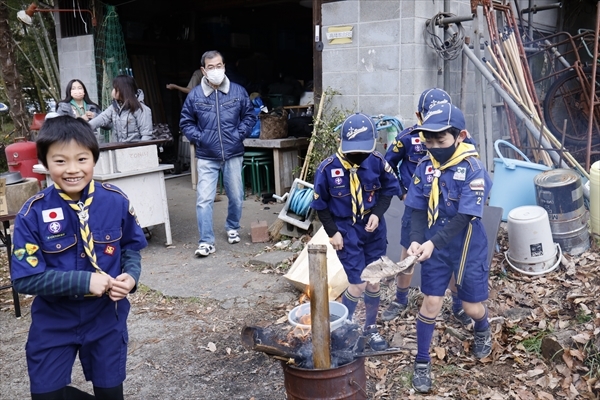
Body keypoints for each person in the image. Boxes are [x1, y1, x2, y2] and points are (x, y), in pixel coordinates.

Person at [10, 115, 148, 400]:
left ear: (94, 159)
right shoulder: (32, 213)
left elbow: (130, 248)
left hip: (106, 319)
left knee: (110, 393)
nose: (73, 170)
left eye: (81, 159)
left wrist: (131, 276)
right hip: (54, 321)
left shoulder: (115, 201)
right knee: (47, 395)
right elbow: (25, 278)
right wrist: (83, 282)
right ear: (45, 164)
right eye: (60, 161)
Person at [404, 103, 492, 393]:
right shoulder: (424, 166)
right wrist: (417, 238)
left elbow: (465, 216)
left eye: (440, 140)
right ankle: (422, 360)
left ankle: (482, 327)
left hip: (467, 244)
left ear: (460, 136)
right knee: (431, 301)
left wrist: (431, 241)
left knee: (471, 306)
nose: (433, 146)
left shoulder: (473, 168)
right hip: (434, 246)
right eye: (428, 141)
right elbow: (417, 209)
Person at [310, 112, 401, 350]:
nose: (359, 157)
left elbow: (389, 190)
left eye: (363, 151)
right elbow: (320, 205)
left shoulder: (377, 161)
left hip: (373, 229)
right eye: (354, 152)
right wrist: (332, 232)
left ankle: (370, 328)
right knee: (358, 283)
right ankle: (345, 326)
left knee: (373, 282)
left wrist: (377, 213)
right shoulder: (328, 168)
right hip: (345, 230)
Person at [382, 88, 473, 326]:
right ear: (419, 115)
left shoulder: (461, 138)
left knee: (451, 255)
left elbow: (472, 170)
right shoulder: (408, 137)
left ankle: (456, 304)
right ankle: (401, 299)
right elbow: (386, 165)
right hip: (418, 207)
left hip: (447, 211)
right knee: (408, 252)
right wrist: (401, 191)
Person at [180, 50, 257, 257]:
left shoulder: (238, 92)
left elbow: (249, 116)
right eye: (211, 67)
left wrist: (239, 134)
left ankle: (232, 226)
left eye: (219, 66)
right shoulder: (195, 95)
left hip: (232, 153)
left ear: (224, 66)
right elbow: (186, 122)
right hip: (206, 155)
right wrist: (201, 138)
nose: (216, 70)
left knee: (236, 196)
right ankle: (206, 241)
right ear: (203, 70)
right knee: (204, 199)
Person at [89, 75, 153, 142]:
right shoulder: (114, 107)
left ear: (123, 90)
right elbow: (102, 118)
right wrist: (82, 128)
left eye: (115, 88)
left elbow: (146, 135)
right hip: (119, 150)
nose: (113, 91)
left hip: (134, 150)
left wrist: (139, 151)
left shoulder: (141, 109)